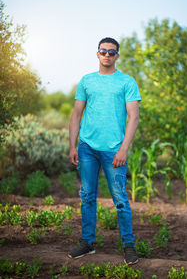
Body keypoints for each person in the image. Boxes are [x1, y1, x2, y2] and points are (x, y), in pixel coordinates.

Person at [68, 37, 141, 265]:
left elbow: (134, 117)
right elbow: (76, 114)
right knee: (87, 196)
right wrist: (73, 145)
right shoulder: (87, 81)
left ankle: (128, 245)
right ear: (97, 54)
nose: (107, 55)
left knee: (120, 199)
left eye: (112, 52)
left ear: (117, 55)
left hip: (114, 151)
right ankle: (87, 243)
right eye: (103, 51)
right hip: (87, 147)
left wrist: (123, 150)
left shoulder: (127, 82)